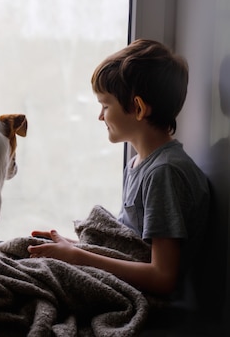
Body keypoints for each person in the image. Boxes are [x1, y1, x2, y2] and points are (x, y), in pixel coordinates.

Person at [27, 39, 210, 298]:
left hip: (144, 299)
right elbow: (127, 249)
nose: (100, 116)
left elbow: (163, 277)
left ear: (137, 108)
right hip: (123, 283)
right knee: (27, 251)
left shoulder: (164, 173)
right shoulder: (139, 164)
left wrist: (78, 257)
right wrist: (72, 246)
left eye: (105, 105)